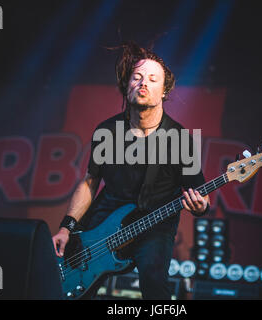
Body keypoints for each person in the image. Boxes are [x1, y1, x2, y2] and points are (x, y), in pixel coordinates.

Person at [52, 42, 210, 300]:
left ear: (164, 91)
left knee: (155, 283)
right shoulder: (107, 130)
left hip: (154, 224)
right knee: (77, 284)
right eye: (136, 77)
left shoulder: (181, 139)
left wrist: (201, 206)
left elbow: (200, 194)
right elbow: (90, 181)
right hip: (105, 219)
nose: (143, 83)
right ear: (127, 87)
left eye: (152, 78)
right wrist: (66, 228)